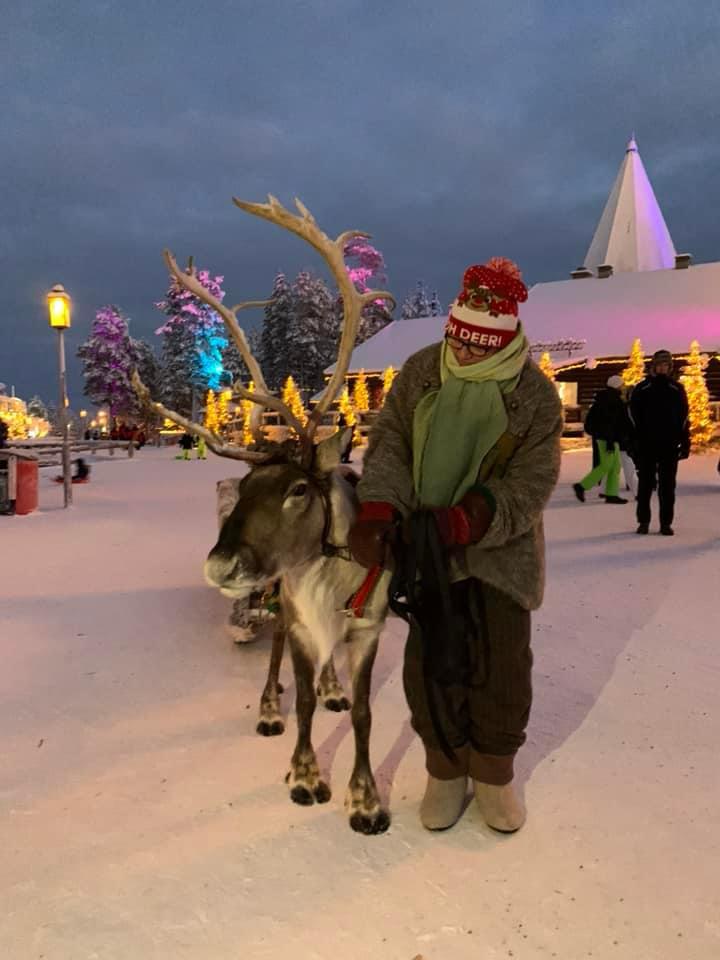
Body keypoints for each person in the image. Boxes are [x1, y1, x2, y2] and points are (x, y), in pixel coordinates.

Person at [348, 258, 562, 834]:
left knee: (501, 668)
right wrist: (378, 508)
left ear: (501, 342)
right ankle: (445, 769)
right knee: (431, 666)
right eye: (458, 341)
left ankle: (493, 775)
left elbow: (532, 480)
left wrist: (470, 519)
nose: (463, 355)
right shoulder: (422, 371)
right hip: (427, 553)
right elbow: (390, 442)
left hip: (500, 555)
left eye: (477, 347)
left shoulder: (535, 395)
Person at [630, 349, 689, 536]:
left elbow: (684, 418)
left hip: (669, 444)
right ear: (653, 366)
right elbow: (632, 417)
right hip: (646, 444)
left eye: (666, 365)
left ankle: (665, 523)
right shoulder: (642, 388)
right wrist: (634, 443)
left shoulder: (677, 389)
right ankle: (644, 521)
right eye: (660, 364)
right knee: (645, 485)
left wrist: (685, 441)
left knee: (667, 486)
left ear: (670, 367)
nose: (663, 368)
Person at [573, 375, 632, 505]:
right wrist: (611, 441)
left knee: (615, 466)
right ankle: (582, 486)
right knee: (607, 465)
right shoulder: (612, 400)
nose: (623, 387)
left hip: (607, 438)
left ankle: (611, 494)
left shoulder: (605, 399)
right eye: (622, 385)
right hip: (608, 439)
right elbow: (610, 423)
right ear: (617, 385)